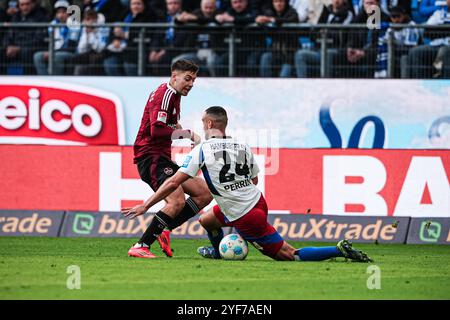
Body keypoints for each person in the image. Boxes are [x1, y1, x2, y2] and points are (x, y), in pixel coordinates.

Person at [123, 106, 373, 263]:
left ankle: (339, 249)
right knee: (206, 220)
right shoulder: (242, 146)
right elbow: (254, 179)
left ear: (209, 124)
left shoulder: (202, 150)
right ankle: (218, 252)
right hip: (257, 200)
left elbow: (174, 181)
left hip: (244, 215)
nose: (202, 124)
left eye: (202, 121)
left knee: (289, 255)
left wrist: (147, 205)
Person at [122, 59, 212, 259]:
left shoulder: (173, 95)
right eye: (187, 79)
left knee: (205, 193)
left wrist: (180, 130)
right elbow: (156, 130)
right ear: (174, 76)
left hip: (161, 157)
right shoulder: (166, 94)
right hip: (150, 157)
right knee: (176, 201)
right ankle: (141, 245)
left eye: (193, 80)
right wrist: (187, 134)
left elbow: (169, 123)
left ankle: (164, 228)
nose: (191, 84)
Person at [33, 0, 79, 75]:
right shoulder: (53, 24)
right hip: (54, 51)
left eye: (64, 12)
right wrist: (49, 52)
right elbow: (49, 42)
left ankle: (57, 80)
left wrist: (52, 52)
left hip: (70, 52)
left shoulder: (75, 24)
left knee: (56, 57)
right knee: (37, 56)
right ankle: (46, 80)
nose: (61, 15)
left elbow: (71, 46)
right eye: (58, 12)